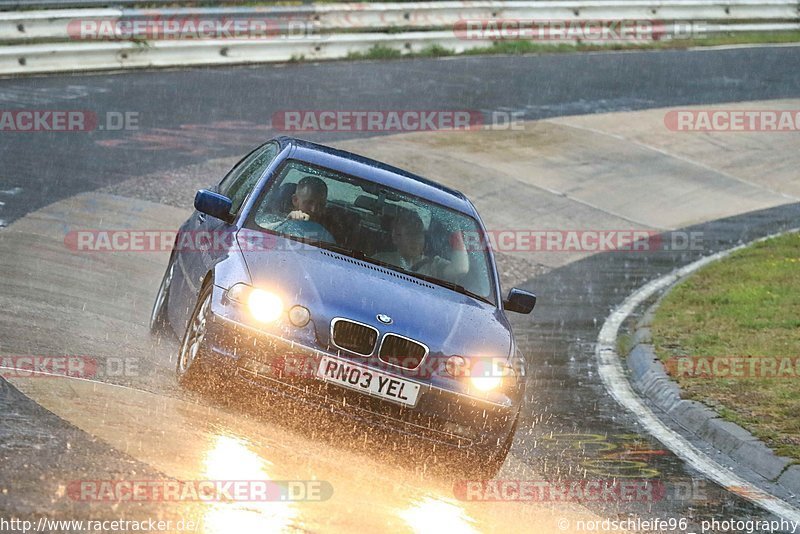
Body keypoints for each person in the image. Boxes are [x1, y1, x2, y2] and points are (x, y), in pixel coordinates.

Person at [375, 210, 468, 280]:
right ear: (395, 238)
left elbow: (460, 269)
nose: (415, 240)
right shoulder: (381, 260)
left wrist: (455, 227)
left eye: (419, 233)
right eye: (409, 234)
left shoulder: (434, 264)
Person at [265, 176, 335, 243]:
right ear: (295, 200)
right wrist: (286, 222)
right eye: (309, 203)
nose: (314, 209)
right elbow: (261, 233)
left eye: (320, 205)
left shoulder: (328, 232)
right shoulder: (275, 218)